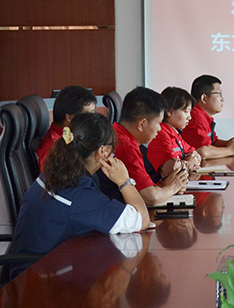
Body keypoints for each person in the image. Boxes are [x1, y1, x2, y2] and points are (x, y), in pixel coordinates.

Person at [9, 113, 150, 279]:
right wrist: (123, 181)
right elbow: (142, 220)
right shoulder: (79, 194)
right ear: (103, 151)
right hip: (39, 281)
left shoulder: (55, 173)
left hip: (33, 270)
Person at [112, 87, 189, 206]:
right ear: (142, 124)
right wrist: (173, 187)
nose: (159, 129)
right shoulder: (125, 146)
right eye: (158, 123)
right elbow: (151, 197)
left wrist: (167, 186)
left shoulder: (118, 133)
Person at [181, 75, 234, 159]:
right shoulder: (195, 118)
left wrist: (230, 143)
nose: (222, 99)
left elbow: (213, 142)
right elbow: (203, 152)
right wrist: (230, 150)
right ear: (204, 98)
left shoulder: (203, 116)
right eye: (219, 94)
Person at [146, 87, 202, 179]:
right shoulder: (160, 134)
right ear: (169, 111)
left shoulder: (175, 133)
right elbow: (172, 168)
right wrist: (189, 163)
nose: (189, 117)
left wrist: (187, 162)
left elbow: (195, 154)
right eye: (186, 111)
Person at [37, 85, 97, 171]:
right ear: (69, 118)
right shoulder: (53, 148)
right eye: (87, 115)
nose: (92, 120)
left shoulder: (72, 137)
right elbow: (50, 178)